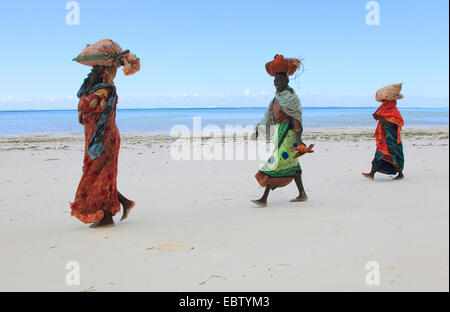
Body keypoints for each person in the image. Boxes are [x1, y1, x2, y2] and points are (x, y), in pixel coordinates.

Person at [70, 63, 136, 228]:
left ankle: (107, 216)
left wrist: (86, 101)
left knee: (99, 176)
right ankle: (123, 203)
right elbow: (83, 114)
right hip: (94, 138)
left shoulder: (106, 90)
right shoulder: (95, 91)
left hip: (106, 138)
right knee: (99, 175)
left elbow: (84, 106)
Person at [251, 55, 312, 207]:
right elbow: (270, 115)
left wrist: (299, 141)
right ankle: (302, 194)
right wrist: (260, 129)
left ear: (287, 81)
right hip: (280, 133)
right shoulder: (277, 97)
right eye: (274, 81)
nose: (276, 83)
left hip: (289, 135)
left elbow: (297, 119)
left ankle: (264, 198)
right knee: (292, 164)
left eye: (279, 81)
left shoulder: (292, 97)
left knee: (274, 163)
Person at [362, 85, 405, 180]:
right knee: (379, 154)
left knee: (396, 155)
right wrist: (379, 117)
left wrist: (380, 118)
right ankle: (372, 173)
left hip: (392, 139)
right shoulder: (385, 111)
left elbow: (394, 123)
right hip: (384, 138)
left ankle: (400, 173)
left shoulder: (394, 111)